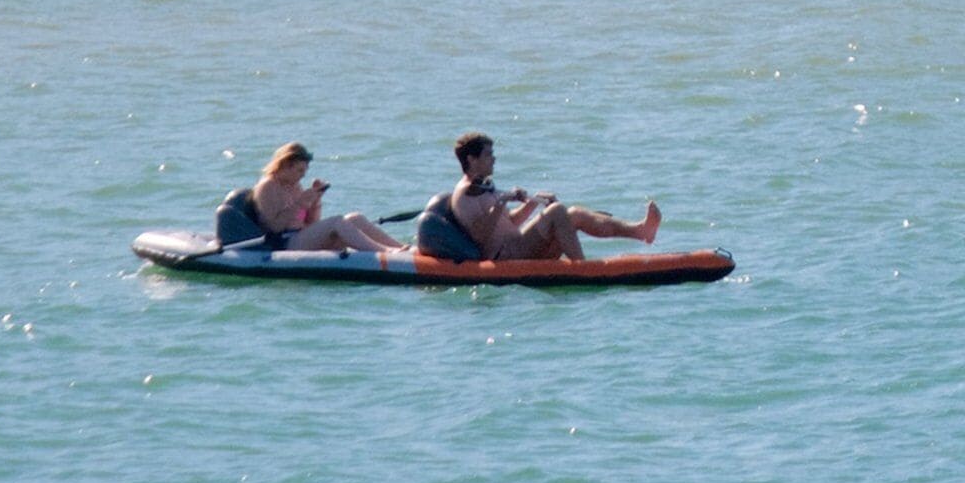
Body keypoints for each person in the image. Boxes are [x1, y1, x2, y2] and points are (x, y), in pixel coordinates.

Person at [412, 131, 661, 265]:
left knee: (572, 213)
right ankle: (583, 269)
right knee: (558, 213)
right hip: (504, 256)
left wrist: (532, 202)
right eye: (488, 155)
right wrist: (501, 201)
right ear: (471, 160)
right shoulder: (464, 194)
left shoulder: (483, 187)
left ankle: (640, 231)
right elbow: (480, 236)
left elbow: (508, 223)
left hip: (518, 245)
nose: (494, 159)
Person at [213, 142, 407, 257]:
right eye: (299, 170)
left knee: (354, 218)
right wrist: (299, 203)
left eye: (304, 171)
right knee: (338, 222)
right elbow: (274, 227)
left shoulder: (295, 186)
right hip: (282, 244)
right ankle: (386, 253)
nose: (302, 176)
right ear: (285, 165)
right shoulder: (267, 187)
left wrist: (315, 201)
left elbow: (309, 223)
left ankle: (402, 249)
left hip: (300, 237)